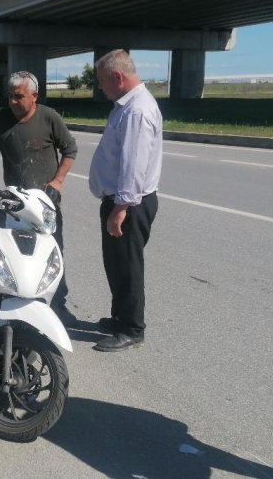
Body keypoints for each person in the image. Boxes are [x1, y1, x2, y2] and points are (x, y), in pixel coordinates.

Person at [0, 70, 79, 326]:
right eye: (10, 97)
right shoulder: (2, 118)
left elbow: (70, 150)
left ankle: (57, 304)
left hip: (44, 205)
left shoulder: (49, 118)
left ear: (34, 96)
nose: (13, 102)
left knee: (52, 255)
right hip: (15, 203)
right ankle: (11, 299)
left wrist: (58, 181)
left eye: (19, 97)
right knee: (14, 253)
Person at [88, 49, 163, 353]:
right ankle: (120, 317)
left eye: (103, 82)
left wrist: (121, 207)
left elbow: (135, 164)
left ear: (118, 77)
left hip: (129, 203)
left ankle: (132, 328)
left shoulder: (137, 110)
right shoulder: (126, 105)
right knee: (116, 263)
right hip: (120, 200)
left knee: (128, 265)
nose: (100, 88)